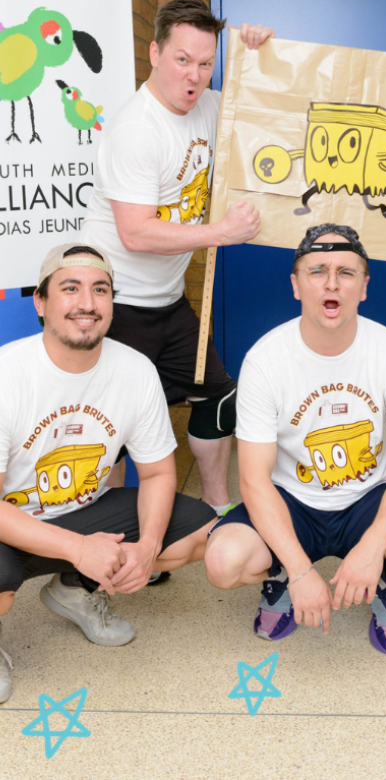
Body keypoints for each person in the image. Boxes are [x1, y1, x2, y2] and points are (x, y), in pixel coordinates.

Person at [202, 225, 386, 655]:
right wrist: (301, 572)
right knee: (223, 560)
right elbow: (253, 481)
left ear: (365, 287)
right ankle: (279, 574)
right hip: (292, 499)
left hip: (371, 495)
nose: (332, 283)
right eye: (317, 270)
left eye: (346, 272)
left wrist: (373, 549)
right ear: (296, 285)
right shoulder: (265, 359)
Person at [81, 0, 274, 515]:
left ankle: (215, 509)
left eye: (206, 63)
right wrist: (221, 232)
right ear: (155, 54)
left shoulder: (208, 104)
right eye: (182, 60)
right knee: (114, 425)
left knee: (217, 396)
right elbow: (137, 233)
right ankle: (109, 538)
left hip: (168, 300)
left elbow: (259, 106)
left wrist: (255, 54)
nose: (194, 76)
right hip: (116, 304)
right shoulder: (136, 129)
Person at [0, 244, 217, 702]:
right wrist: (78, 548)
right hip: (10, 525)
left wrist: (148, 548)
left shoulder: (135, 370)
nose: (87, 302)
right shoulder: (8, 374)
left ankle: (75, 590)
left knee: (204, 535)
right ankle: (75, 568)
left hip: (83, 512)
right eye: (70, 288)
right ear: (41, 302)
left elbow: (158, 474)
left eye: (100, 290)